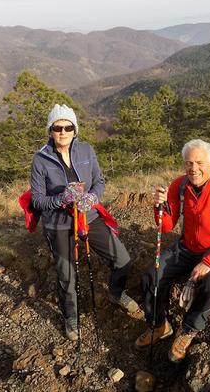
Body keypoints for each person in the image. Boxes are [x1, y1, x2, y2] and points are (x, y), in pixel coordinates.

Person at [31, 104, 140, 341]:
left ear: (74, 130)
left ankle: (116, 292)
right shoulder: (40, 160)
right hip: (59, 223)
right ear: (50, 130)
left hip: (88, 217)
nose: (62, 132)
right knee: (66, 274)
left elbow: (99, 181)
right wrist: (61, 199)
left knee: (122, 259)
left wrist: (93, 197)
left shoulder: (87, 150)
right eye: (57, 127)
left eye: (67, 127)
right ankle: (71, 317)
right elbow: (38, 200)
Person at [135, 139, 210, 362]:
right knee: (151, 276)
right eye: (188, 163)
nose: (193, 168)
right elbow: (165, 226)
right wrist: (159, 206)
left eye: (199, 162)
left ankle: (187, 330)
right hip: (186, 247)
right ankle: (158, 325)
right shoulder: (180, 185)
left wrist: (209, 262)